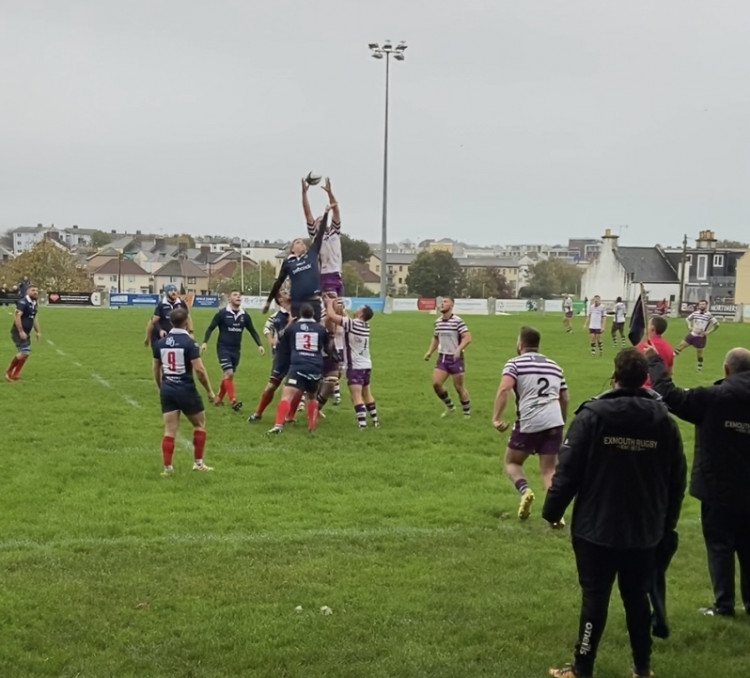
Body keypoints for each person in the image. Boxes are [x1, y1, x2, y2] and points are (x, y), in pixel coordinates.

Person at [544, 349, 686, 678]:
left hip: (597, 526)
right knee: (637, 596)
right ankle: (642, 667)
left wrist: (553, 510)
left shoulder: (593, 416)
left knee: (595, 596)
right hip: (644, 527)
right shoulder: (664, 421)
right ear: (645, 379)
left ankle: (582, 668)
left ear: (615, 375)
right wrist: (667, 525)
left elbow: (568, 470)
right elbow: (676, 479)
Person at [647, 345, 750, 618]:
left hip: (718, 486)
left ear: (727, 370)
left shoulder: (714, 397)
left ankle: (724, 604)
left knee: (720, 545)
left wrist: (654, 362)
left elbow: (669, 396)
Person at [492, 326, 568, 524]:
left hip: (530, 420)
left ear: (520, 343)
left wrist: (496, 417)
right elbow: (564, 398)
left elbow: (504, 389)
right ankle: (556, 516)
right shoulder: (554, 366)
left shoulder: (514, 364)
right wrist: (561, 422)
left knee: (512, 462)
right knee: (549, 471)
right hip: (554, 420)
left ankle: (525, 491)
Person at [153, 308, 216, 475]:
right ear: (187, 322)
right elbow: (200, 371)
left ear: (171, 322)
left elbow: (156, 367)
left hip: (167, 389)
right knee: (199, 425)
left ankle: (167, 469)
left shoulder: (161, 343)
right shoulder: (189, 343)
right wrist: (209, 390)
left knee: (169, 430)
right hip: (186, 389)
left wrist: (161, 387)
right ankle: (198, 463)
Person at [267, 303, 328, 434]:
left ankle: (278, 425)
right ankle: (311, 426)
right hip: (315, 367)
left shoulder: (293, 328)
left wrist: (289, 322)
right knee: (312, 397)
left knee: (287, 395)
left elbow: (281, 338)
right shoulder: (321, 329)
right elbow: (327, 348)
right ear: (313, 314)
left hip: (298, 365)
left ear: (299, 314)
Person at [201, 290, 265, 411]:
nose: (238, 296)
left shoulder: (244, 315)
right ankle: (233, 400)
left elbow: (252, 331)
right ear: (229, 299)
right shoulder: (222, 314)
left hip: (236, 350)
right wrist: (205, 342)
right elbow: (210, 328)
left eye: (239, 295)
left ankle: (218, 399)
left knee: (228, 376)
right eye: (235, 295)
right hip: (223, 348)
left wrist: (260, 345)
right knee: (229, 373)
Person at [263, 207, 329, 322]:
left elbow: (320, 235)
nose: (302, 244)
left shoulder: (311, 254)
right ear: (292, 249)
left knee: (315, 331)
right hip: (297, 302)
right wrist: (268, 302)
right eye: (298, 242)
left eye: (303, 242)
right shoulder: (289, 262)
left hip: (313, 301)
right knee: (298, 332)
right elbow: (278, 282)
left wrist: (326, 212)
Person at [325, 296, 378, 429]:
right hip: (366, 364)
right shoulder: (365, 325)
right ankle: (375, 421)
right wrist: (341, 309)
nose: (356, 309)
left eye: (359, 308)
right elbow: (347, 319)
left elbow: (331, 316)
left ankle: (362, 425)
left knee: (356, 396)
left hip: (355, 366)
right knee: (367, 393)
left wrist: (329, 303)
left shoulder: (353, 324)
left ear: (361, 313)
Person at [248, 291, 292, 422]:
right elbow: (267, 328)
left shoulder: (299, 311)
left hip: (297, 355)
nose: (288, 293)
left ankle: (288, 417)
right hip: (282, 356)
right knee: (271, 386)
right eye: (284, 293)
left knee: (291, 388)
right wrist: (270, 339)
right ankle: (258, 413)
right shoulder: (276, 316)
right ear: (280, 299)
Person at [424, 297, 472, 417]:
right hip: (443, 358)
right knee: (436, 384)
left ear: (451, 305)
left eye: (445, 302)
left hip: (456, 359)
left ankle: (466, 413)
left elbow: (467, 337)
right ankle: (450, 406)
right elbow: (436, 338)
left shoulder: (458, 321)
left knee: (459, 387)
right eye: (442, 302)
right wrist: (430, 352)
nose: (442, 304)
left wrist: (459, 349)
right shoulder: (438, 322)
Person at [304, 177, 344, 298]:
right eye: (318, 220)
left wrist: (329, 193)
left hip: (338, 274)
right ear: (315, 224)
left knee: (339, 307)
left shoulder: (334, 231)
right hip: (326, 274)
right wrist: (304, 194)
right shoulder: (315, 236)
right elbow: (307, 214)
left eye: (322, 219)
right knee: (331, 305)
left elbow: (336, 209)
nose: (321, 220)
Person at [317, 295, 347, 414]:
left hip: (339, 349)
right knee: (326, 379)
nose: (338, 305)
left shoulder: (344, 318)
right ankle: (312, 405)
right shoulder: (325, 316)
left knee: (336, 377)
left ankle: (318, 405)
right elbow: (327, 328)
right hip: (326, 352)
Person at [5, 284, 41, 381]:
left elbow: (34, 318)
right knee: (24, 352)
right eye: (33, 290)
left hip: (26, 332)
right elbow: (17, 316)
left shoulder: (34, 303)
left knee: (26, 353)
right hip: (18, 331)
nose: (35, 292)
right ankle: (8, 372)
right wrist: (20, 331)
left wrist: (37, 332)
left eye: (37, 290)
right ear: (27, 292)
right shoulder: (23, 302)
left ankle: (16, 373)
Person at [673, 300, 719, 372]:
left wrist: (708, 332)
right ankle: (669, 361)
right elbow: (687, 319)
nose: (701, 306)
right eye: (700, 304)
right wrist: (689, 326)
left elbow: (717, 324)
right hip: (692, 334)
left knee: (699, 353)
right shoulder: (695, 313)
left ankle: (699, 368)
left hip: (700, 337)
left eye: (703, 304)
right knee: (679, 346)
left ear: (706, 305)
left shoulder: (709, 315)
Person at [636, 316, 673, 388]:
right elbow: (669, 372)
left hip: (643, 390)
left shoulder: (643, 346)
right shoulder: (668, 348)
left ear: (652, 328)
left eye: (648, 325)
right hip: (661, 389)